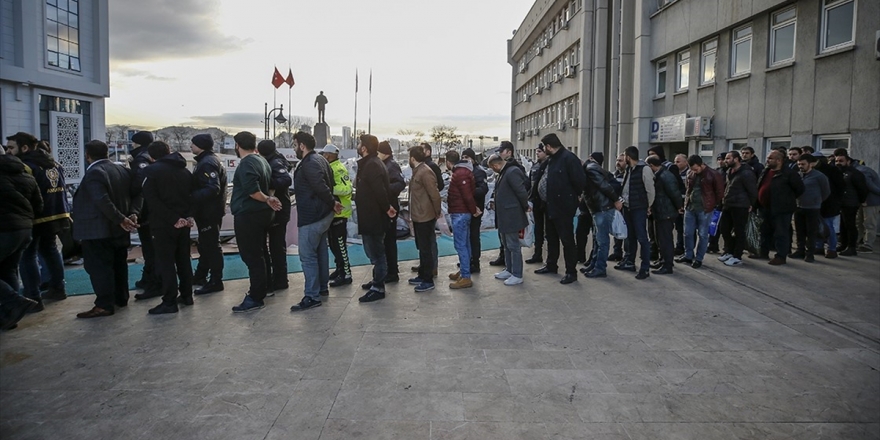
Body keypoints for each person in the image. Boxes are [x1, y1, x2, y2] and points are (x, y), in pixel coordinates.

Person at [72, 140, 140, 318]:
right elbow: (137, 193)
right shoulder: (121, 170)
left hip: (98, 229)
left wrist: (121, 219)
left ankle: (104, 304)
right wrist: (132, 214)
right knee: (118, 264)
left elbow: (102, 200)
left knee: (99, 267)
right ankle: (120, 297)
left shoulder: (95, 172)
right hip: (117, 229)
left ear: (88, 155)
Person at [7, 132, 70, 309]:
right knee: (50, 250)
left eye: (11, 147)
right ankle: (58, 288)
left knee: (28, 256)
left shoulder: (26, 166)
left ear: (24, 147)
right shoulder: (53, 163)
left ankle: (33, 297)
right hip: (57, 213)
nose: (9, 152)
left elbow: (24, 192)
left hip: (35, 216)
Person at [229, 132, 282, 313]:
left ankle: (255, 296)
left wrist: (267, 199)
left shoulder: (247, 163)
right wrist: (269, 198)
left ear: (237, 145)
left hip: (249, 215)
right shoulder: (262, 161)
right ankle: (266, 287)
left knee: (252, 256)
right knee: (262, 253)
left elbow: (252, 190)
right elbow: (271, 184)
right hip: (262, 215)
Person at [141, 141, 194, 314]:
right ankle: (187, 295)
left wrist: (173, 219)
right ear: (169, 151)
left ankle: (169, 301)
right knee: (184, 260)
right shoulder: (184, 170)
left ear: (151, 156)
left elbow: (152, 200)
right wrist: (186, 217)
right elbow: (191, 196)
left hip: (164, 224)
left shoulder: (151, 172)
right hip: (184, 223)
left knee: (166, 263)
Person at [290, 132, 338, 311]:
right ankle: (322, 288)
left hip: (312, 216)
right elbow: (329, 183)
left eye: (295, 145)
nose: (294, 148)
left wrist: (333, 203)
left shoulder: (309, 163)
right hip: (323, 214)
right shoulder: (321, 159)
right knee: (320, 252)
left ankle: (312, 295)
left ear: (302, 146)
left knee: (308, 256)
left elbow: (321, 186)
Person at [0, 147, 41, 330]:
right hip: (24, 229)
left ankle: (14, 302)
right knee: (8, 270)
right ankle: (10, 317)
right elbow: (39, 204)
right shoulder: (26, 175)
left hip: (4, 229)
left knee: (8, 270)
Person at [535, 134, 585, 284]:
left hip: (563, 207)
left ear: (549, 146)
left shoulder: (569, 158)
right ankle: (551, 264)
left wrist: (572, 198)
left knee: (567, 240)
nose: (543, 149)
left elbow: (580, 181)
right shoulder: (551, 160)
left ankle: (571, 272)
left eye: (544, 147)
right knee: (551, 238)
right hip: (549, 206)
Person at [354, 134, 395, 303]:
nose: (357, 145)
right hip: (370, 217)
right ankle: (376, 280)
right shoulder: (370, 163)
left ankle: (378, 287)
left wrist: (387, 208)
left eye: (359, 143)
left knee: (377, 253)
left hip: (374, 218)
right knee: (374, 252)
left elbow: (380, 191)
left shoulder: (372, 165)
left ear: (364, 148)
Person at [189, 133, 227, 295]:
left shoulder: (207, 163)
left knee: (211, 245)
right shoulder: (210, 160)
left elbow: (213, 188)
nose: (190, 146)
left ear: (201, 146)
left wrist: (190, 197)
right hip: (210, 210)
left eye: (193, 144)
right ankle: (201, 275)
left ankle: (216, 280)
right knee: (205, 244)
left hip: (209, 211)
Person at [753, 150, 804, 265]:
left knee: (781, 233)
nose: (767, 160)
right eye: (768, 158)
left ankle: (781, 256)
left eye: (770, 158)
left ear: (779, 160)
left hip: (781, 209)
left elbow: (799, 189)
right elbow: (759, 186)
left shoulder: (789, 173)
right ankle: (763, 251)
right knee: (764, 231)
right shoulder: (765, 171)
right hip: (764, 207)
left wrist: (786, 199)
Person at [487, 154, 529, 286]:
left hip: (512, 215)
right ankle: (510, 269)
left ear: (495, 165)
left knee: (513, 245)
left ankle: (517, 273)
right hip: (505, 215)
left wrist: (526, 206)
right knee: (506, 244)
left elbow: (521, 191)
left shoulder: (512, 172)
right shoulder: (505, 172)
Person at [675, 155, 724, 269]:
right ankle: (688, 255)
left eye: (696, 169)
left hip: (705, 209)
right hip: (690, 207)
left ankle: (699, 258)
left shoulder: (713, 174)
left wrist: (712, 204)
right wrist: (686, 204)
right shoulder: (690, 173)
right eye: (692, 169)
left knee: (702, 234)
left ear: (702, 164)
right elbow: (688, 189)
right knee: (687, 233)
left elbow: (719, 192)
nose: (694, 171)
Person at [580, 152, 623, 278]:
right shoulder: (589, 169)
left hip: (602, 208)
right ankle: (594, 264)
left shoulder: (590, 170)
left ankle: (600, 268)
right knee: (597, 239)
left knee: (602, 240)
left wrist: (616, 200)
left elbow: (605, 186)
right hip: (598, 208)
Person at [616, 146, 655, 280]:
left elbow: (650, 190)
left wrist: (648, 205)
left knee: (642, 238)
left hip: (639, 208)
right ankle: (629, 262)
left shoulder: (644, 169)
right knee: (630, 237)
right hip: (628, 207)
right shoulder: (629, 169)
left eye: (624, 156)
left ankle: (645, 268)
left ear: (628, 157)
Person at [258, 140, 293, 291]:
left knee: (276, 247)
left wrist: (266, 182)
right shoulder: (274, 160)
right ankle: (277, 277)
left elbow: (286, 180)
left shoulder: (276, 162)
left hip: (278, 210)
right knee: (275, 246)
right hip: (276, 208)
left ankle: (280, 279)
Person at [128, 130, 160, 294]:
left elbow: (140, 183)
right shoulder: (148, 156)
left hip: (146, 210)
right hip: (150, 209)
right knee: (150, 247)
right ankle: (149, 277)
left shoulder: (141, 158)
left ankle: (152, 280)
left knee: (149, 247)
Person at [407, 146, 442, 292]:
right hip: (418, 215)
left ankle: (428, 279)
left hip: (425, 216)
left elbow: (434, 194)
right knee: (421, 247)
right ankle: (422, 274)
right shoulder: (418, 171)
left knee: (426, 248)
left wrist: (436, 212)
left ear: (413, 158)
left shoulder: (425, 172)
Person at [445, 150, 481, 289]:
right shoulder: (463, 172)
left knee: (461, 245)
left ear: (448, 162)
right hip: (461, 212)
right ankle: (464, 270)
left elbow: (467, 196)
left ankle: (466, 276)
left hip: (460, 212)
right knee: (464, 244)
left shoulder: (460, 174)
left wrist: (473, 210)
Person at [717, 151, 758, 267]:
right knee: (724, 229)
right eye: (725, 158)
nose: (725, 160)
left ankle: (737, 256)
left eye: (728, 158)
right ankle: (729, 251)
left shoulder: (746, 173)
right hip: (728, 204)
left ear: (736, 159)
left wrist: (751, 204)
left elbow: (753, 191)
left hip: (740, 206)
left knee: (739, 231)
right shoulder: (729, 171)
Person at [322, 144, 354, 287]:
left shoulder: (338, 168)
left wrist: (328, 189)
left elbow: (347, 188)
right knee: (334, 245)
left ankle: (346, 274)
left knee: (340, 245)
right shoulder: (330, 167)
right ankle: (339, 269)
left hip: (340, 213)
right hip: (334, 213)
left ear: (328, 155)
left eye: (324, 155)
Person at [646, 156, 683, 274]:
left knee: (665, 239)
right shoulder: (659, 175)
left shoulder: (666, 176)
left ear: (652, 165)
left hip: (666, 212)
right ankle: (662, 260)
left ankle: (667, 265)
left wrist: (679, 207)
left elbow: (675, 193)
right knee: (660, 239)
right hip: (660, 212)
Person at [791, 154, 830, 262]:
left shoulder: (819, 176)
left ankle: (810, 253)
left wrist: (817, 201)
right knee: (800, 231)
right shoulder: (798, 175)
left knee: (811, 232)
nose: (800, 166)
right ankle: (800, 250)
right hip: (799, 207)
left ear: (810, 164)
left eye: (803, 164)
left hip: (812, 208)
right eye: (799, 164)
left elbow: (826, 192)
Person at [378, 141, 406, 283]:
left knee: (389, 241)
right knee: (387, 241)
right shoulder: (385, 164)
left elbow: (400, 183)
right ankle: (390, 270)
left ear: (385, 153)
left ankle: (392, 271)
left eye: (378, 153)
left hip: (390, 207)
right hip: (387, 207)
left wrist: (383, 189)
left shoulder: (391, 165)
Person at [835, 153, 868, 256]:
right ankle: (843, 244)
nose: (838, 163)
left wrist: (861, 201)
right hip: (842, 203)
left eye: (841, 161)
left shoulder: (855, 173)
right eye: (837, 161)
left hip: (851, 203)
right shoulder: (839, 172)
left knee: (850, 225)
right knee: (843, 225)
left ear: (848, 161)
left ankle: (852, 247)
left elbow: (862, 189)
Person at [813, 152, 845, 258]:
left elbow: (840, 186)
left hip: (830, 203)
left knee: (829, 226)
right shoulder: (812, 171)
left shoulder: (832, 170)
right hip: (818, 203)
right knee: (818, 225)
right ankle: (819, 247)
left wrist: (837, 201)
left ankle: (831, 249)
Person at [462, 148, 488, 273]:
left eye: (467, 157)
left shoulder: (479, 172)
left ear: (472, 159)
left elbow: (483, 190)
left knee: (473, 236)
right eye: (463, 157)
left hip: (476, 209)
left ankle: (475, 262)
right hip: (465, 210)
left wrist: (468, 191)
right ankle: (467, 259)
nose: (465, 160)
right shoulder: (464, 171)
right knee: (465, 237)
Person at [526, 144, 548, 264]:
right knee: (538, 229)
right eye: (536, 152)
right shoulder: (535, 167)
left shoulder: (549, 166)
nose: (537, 153)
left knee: (549, 231)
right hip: (536, 201)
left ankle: (550, 257)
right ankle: (537, 253)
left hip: (547, 202)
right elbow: (530, 185)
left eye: (540, 151)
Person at [852, 158, 880, 253]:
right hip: (864, 200)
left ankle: (868, 245)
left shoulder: (862, 171)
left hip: (870, 201)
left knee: (869, 223)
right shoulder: (862, 170)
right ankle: (859, 241)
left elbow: (869, 186)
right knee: (859, 222)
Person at [609, 154, 627, 261]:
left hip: (626, 206)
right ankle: (617, 252)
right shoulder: (614, 175)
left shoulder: (628, 175)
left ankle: (627, 255)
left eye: (620, 160)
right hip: (615, 206)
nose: (618, 163)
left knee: (626, 231)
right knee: (617, 229)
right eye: (617, 160)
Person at [672, 153, 689, 255]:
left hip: (686, 203)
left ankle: (686, 249)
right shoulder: (675, 173)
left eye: (678, 162)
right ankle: (679, 246)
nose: (675, 164)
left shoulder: (689, 173)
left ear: (686, 162)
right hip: (677, 204)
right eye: (674, 161)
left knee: (686, 228)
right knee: (678, 227)